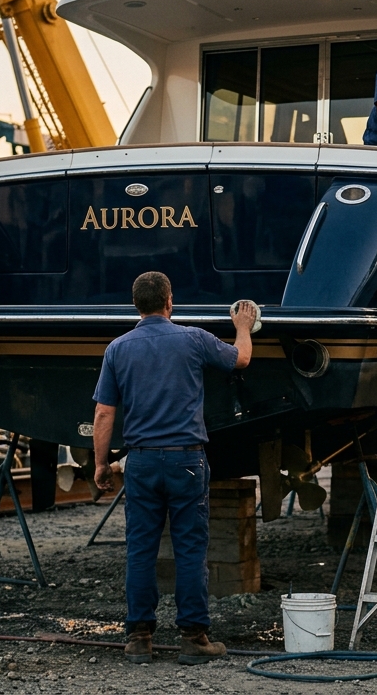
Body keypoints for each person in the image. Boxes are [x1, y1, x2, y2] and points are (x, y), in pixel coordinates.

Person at [91, 272, 256, 665]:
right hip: (186, 460)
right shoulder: (193, 339)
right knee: (190, 548)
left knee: (140, 550)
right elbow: (241, 359)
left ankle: (139, 639)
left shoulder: (117, 349)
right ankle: (194, 638)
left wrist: (101, 464)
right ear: (170, 302)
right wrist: (242, 326)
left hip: (141, 461)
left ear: (136, 305)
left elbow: (103, 414)